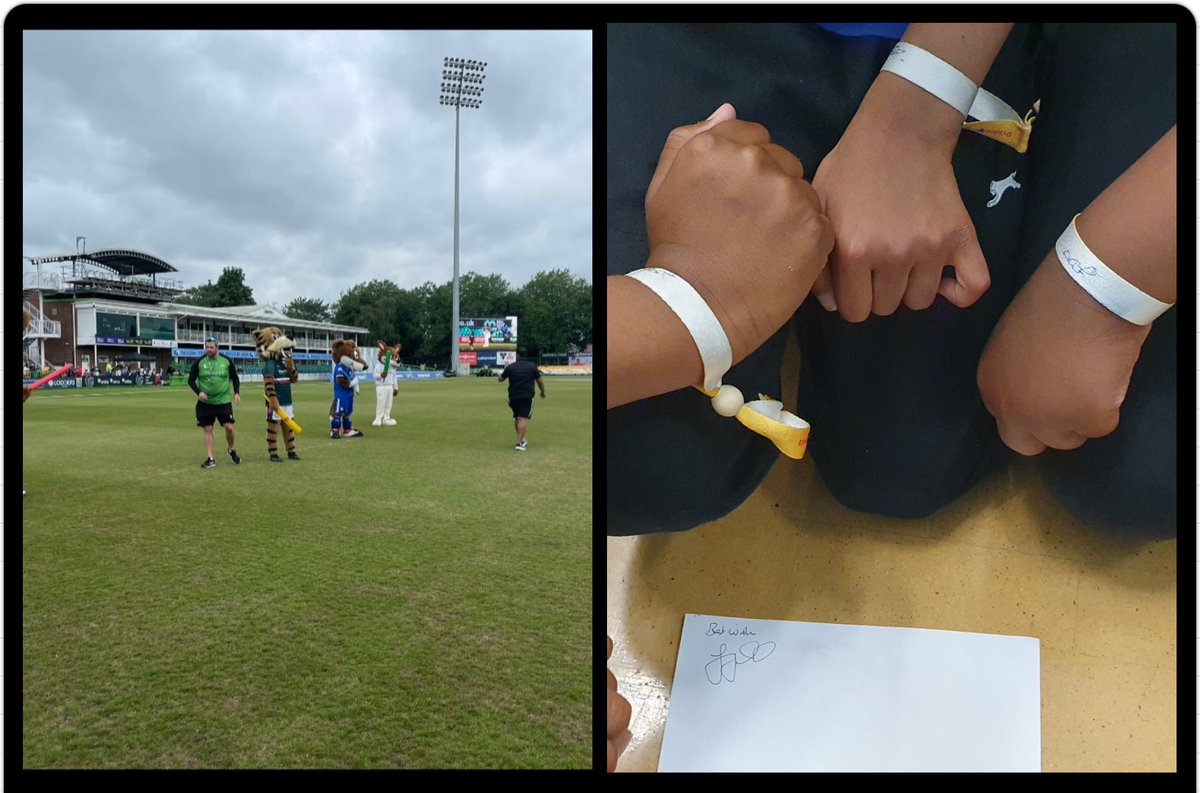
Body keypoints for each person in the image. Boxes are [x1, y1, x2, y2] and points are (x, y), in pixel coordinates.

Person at [188, 336, 242, 468]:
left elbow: (235, 378)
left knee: (229, 427)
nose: (209, 349)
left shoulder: (227, 361)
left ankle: (231, 449)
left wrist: (236, 393)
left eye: (212, 347)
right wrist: (199, 392)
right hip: (205, 404)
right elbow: (190, 380)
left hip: (223, 401)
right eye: (207, 347)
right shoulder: (199, 362)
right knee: (207, 429)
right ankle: (210, 458)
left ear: (217, 347)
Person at [497, 347, 546, 451]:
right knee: (522, 418)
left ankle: (522, 439)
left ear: (517, 355)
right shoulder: (532, 367)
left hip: (513, 396)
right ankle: (518, 444)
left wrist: (500, 374)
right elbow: (540, 381)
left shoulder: (510, 367)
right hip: (527, 395)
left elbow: (500, 379)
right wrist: (542, 392)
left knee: (517, 417)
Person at [372, 341, 401, 427]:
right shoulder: (379, 365)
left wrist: (396, 387)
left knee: (389, 403)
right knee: (381, 402)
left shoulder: (393, 368)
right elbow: (374, 375)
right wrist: (381, 375)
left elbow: (394, 378)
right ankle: (378, 418)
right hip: (381, 386)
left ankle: (386, 418)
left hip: (390, 386)